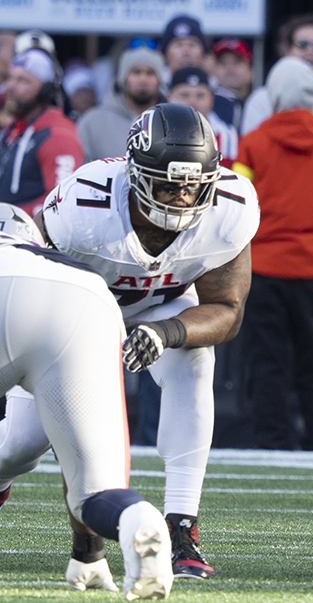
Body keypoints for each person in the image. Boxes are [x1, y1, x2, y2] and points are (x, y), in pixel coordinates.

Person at [4, 103, 260, 580]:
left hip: (160, 307)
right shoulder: (83, 206)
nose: (182, 199)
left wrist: (167, 332)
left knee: (195, 360)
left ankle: (182, 525)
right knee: (17, 447)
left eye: (193, 186)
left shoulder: (231, 206)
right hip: (73, 316)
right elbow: (43, 297)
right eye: (167, 184)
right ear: (134, 173)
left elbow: (227, 309)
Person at [0, 207, 174, 599]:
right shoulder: (44, 254)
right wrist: (87, 552)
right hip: (83, 294)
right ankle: (136, 520)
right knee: (95, 493)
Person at [232, 57, 313, 451]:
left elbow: (239, 201)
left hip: (263, 270)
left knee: (268, 363)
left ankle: (273, 440)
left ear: (275, 95)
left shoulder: (254, 142)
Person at [0, 47, 84, 215]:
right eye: (11, 78)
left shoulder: (58, 135)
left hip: (31, 238)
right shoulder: (14, 129)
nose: (11, 86)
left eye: (23, 80)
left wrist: (9, 215)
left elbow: (63, 203)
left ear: (46, 89)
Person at [242, 14, 313, 134]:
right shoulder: (262, 98)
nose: (310, 51)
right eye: (302, 44)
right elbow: (255, 147)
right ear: (287, 52)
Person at [78, 46, 165, 163]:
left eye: (150, 73)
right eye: (136, 72)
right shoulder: (92, 122)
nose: (143, 79)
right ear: (123, 78)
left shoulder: (171, 121)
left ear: (159, 80)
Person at [159, 14, 236, 127]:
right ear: (165, 53)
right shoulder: (153, 95)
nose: (186, 52)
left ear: (203, 53)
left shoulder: (224, 101)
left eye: (192, 44)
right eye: (178, 45)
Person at [168, 67, 238, 166]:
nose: (193, 102)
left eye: (200, 96)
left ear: (211, 99)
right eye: (184, 95)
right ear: (170, 97)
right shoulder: (155, 131)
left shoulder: (228, 136)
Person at [211, 38, 254, 130]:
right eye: (222, 63)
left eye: (237, 62)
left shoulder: (258, 104)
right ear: (213, 71)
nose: (229, 68)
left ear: (251, 71)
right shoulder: (208, 106)